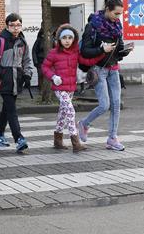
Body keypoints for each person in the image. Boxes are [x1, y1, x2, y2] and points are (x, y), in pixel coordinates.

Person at [77, 0, 133, 151]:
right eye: (116, 13)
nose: (118, 17)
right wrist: (102, 49)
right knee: (104, 105)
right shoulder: (92, 26)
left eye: (120, 14)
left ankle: (112, 138)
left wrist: (125, 51)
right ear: (107, 10)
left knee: (116, 105)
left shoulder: (117, 26)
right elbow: (84, 51)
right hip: (98, 70)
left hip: (113, 69)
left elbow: (118, 50)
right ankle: (84, 124)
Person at [41, 24, 106, 152]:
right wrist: (53, 77)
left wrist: (102, 53)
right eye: (64, 37)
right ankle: (75, 142)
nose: (67, 40)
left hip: (71, 88)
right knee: (70, 112)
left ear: (74, 39)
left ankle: (57, 140)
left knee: (63, 114)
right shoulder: (54, 53)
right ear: (59, 39)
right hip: (60, 88)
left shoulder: (75, 52)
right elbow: (45, 67)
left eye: (70, 38)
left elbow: (86, 62)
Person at [0, 13, 34, 153]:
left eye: (18, 25)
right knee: (12, 110)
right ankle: (19, 138)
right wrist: (1, 73)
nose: (16, 28)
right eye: (12, 25)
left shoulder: (23, 42)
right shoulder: (0, 42)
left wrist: (27, 75)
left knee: (7, 109)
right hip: (4, 81)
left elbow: (26, 61)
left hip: (16, 80)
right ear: (7, 26)